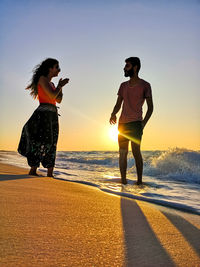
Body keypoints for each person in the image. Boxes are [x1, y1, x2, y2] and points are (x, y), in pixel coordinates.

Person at [18, 58, 69, 177]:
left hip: (52, 115)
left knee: (52, 142)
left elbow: (58, 100)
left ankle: (50, 173)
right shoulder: (42, 79)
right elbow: (51, 95)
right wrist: (59, 86)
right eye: (57, 67)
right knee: (40, 140)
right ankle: (33, 170)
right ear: (50, 68)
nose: (59, 70)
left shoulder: (51, 83)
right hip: (43, 114)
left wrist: (60, 87)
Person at [109, 57, 153, 185]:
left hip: (136, 124)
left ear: (135, 67)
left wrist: (143, 123)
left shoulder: (145, 85)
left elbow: (151, 107)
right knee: (122, 153)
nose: (124, 68)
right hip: (122, 124)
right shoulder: (123, 86)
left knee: (136, 152)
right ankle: (123, 181)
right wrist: (113, 114)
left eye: (127, 66)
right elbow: (118, 104)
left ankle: (139, 181)